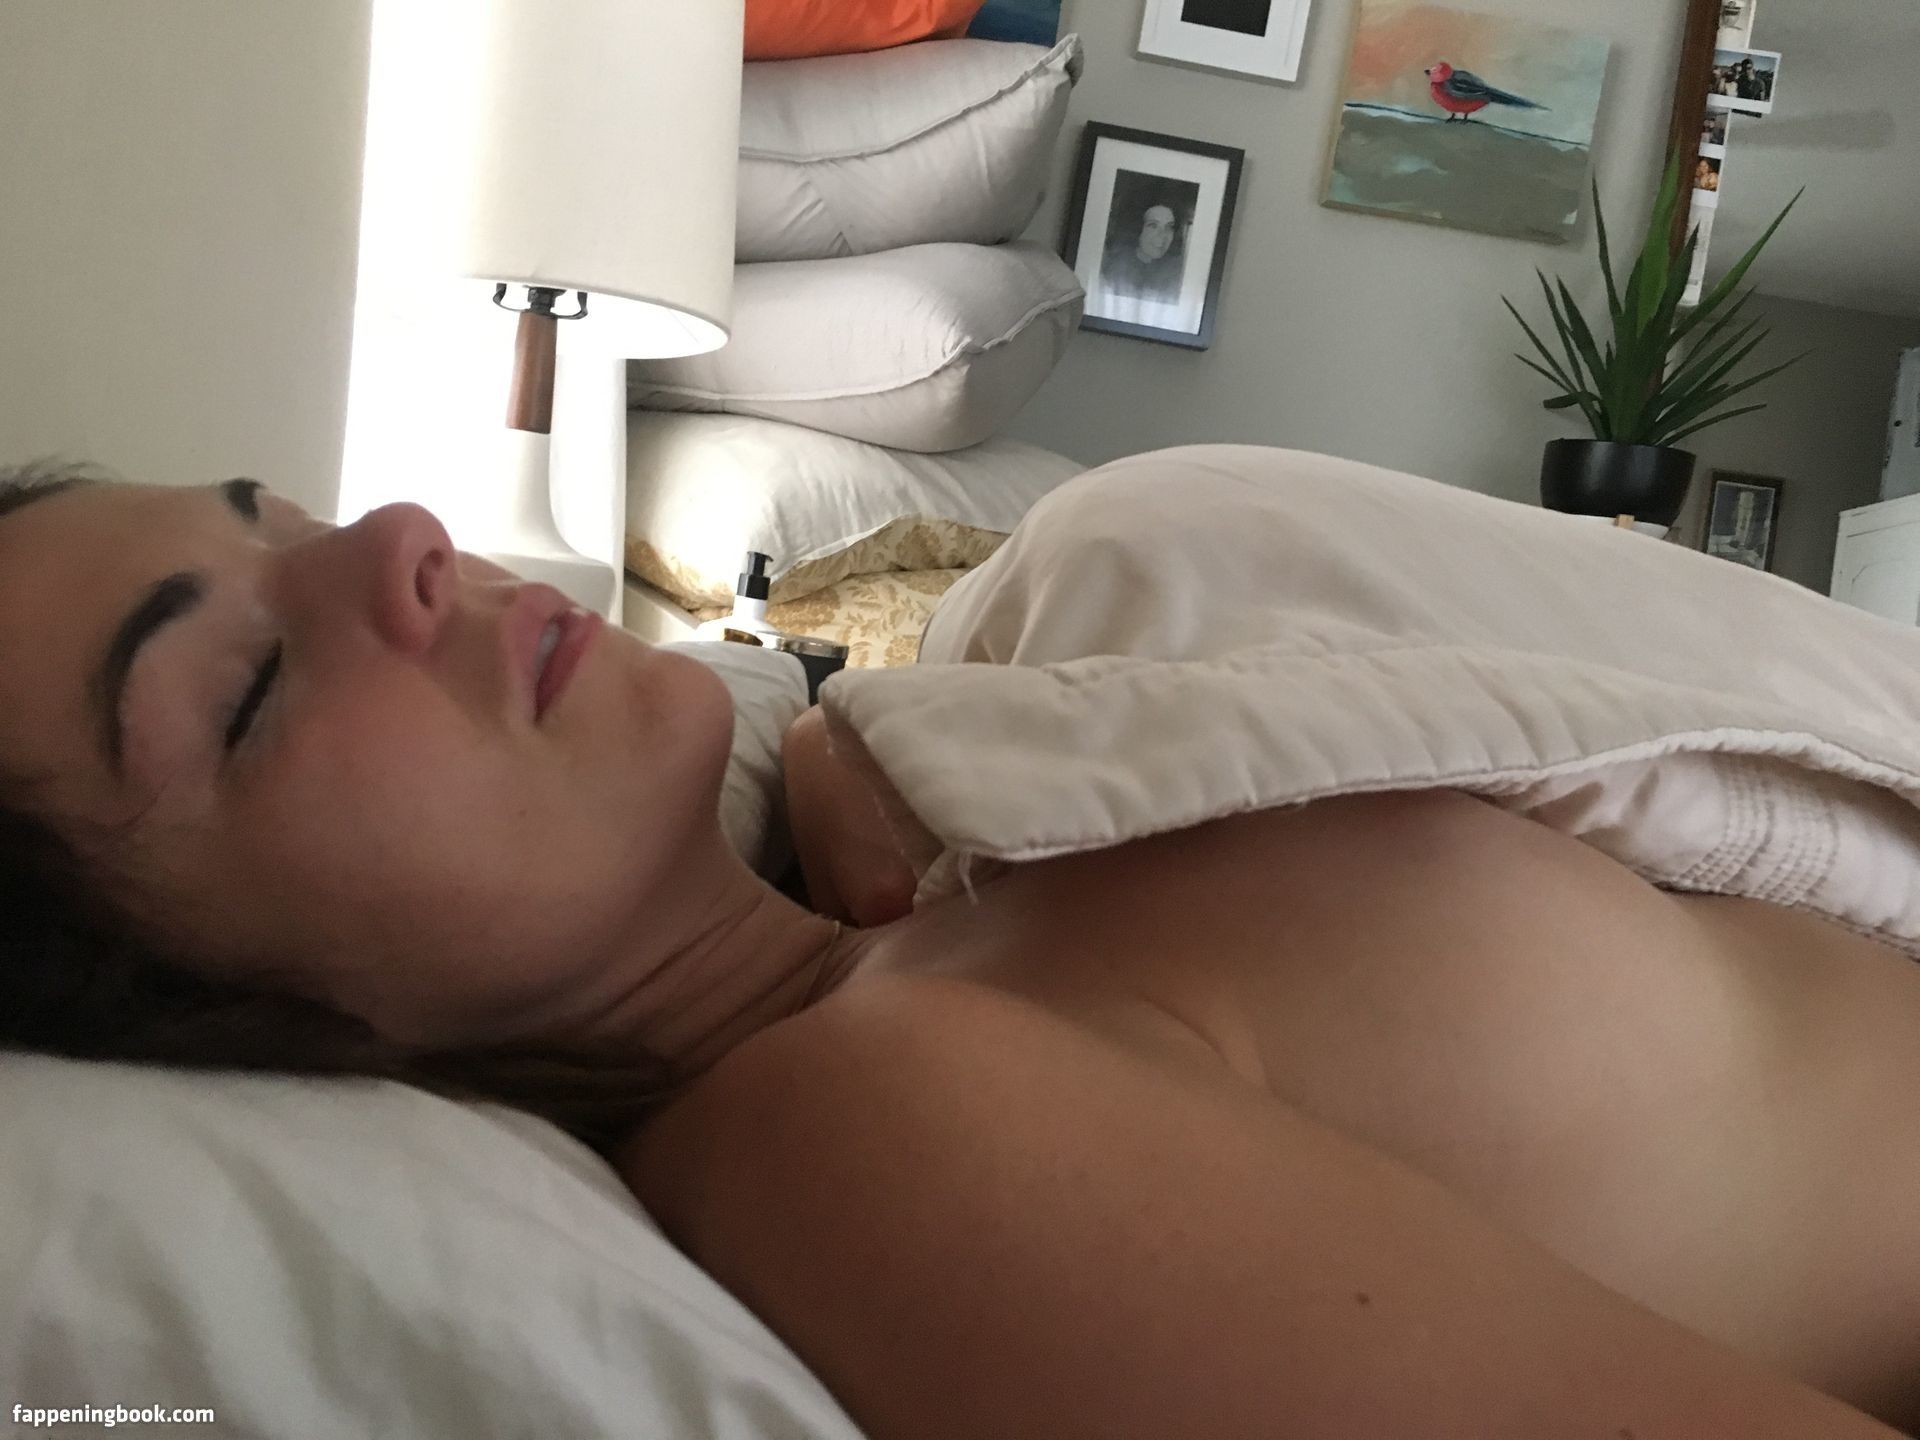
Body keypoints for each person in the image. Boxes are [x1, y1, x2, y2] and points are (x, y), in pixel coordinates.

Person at [1, 460, 1915, 1438]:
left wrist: (871, 770)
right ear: (251, 1029)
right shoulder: (868, 1130)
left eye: (283, 515)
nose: (401, 538)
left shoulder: (907, 891)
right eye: (245, 690)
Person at [1100, 200, 1185, 305]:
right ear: (1138, 228)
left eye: (1169, 227)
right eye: (1153, 226)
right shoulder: (1114, 268)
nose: (1162, 235)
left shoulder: (1176, 273)